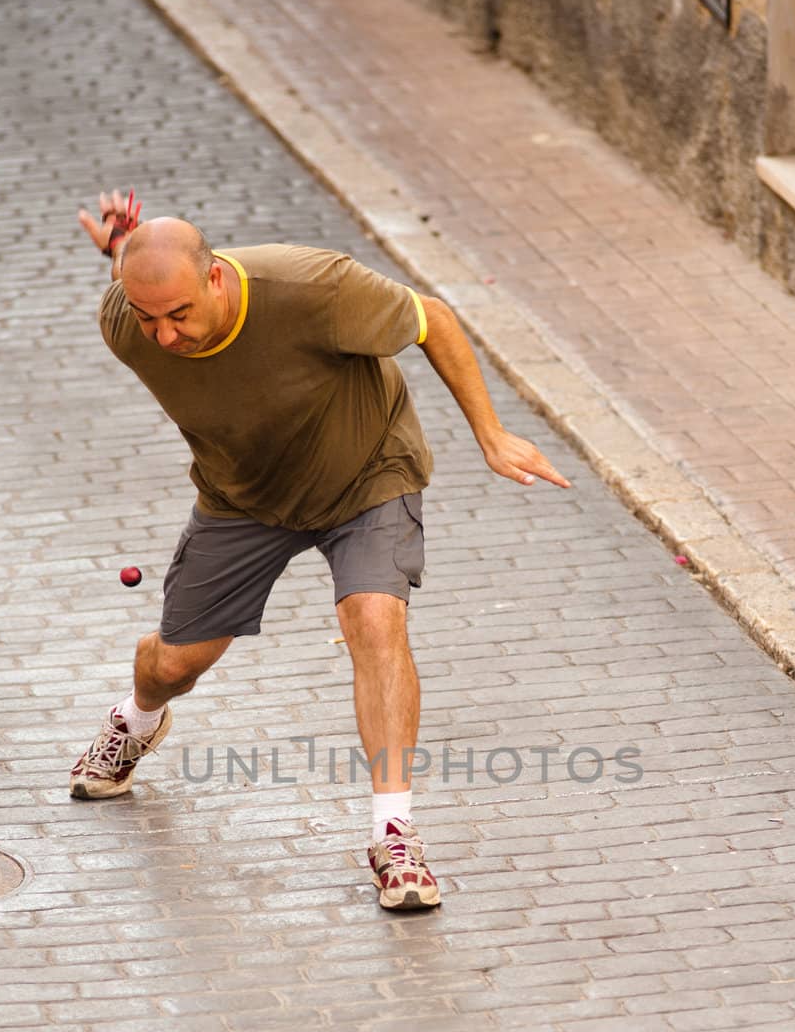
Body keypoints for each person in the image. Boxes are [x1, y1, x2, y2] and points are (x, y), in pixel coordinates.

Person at [71, 190, 569, 910]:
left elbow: (435, 318)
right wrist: (127, 254)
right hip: (244, 495)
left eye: (178, 314)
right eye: (149, 318)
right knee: (176, 662)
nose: (166, 336)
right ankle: (136, 719)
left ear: (215, 278)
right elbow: (140, 275)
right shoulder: (125, 322)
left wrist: (490, 433)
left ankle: (394, 837)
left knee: (373, 624)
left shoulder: (312, 289)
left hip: (366, 473)